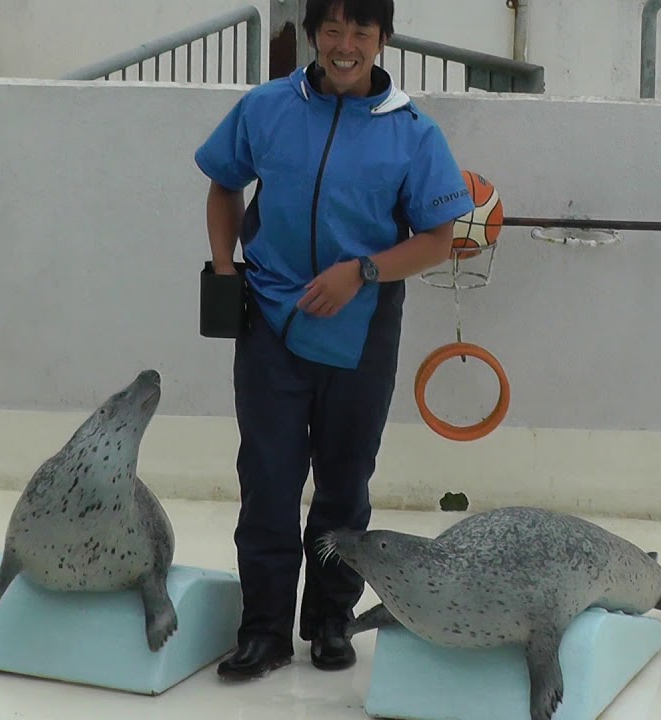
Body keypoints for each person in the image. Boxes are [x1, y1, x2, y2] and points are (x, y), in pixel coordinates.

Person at [193, 0, 476, 680]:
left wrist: (363, 271)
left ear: (382, 39)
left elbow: (438, 240)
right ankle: (262, 629)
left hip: (361, 329)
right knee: (268, 480)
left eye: (360, 31)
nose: (344, 46)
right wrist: (228, 271)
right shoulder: (266, 108)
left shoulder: (411, 132)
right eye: (332, 29)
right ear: (311, 33)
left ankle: (329, 621)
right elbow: (223, 185)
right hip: (269, 322)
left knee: (344, 483)